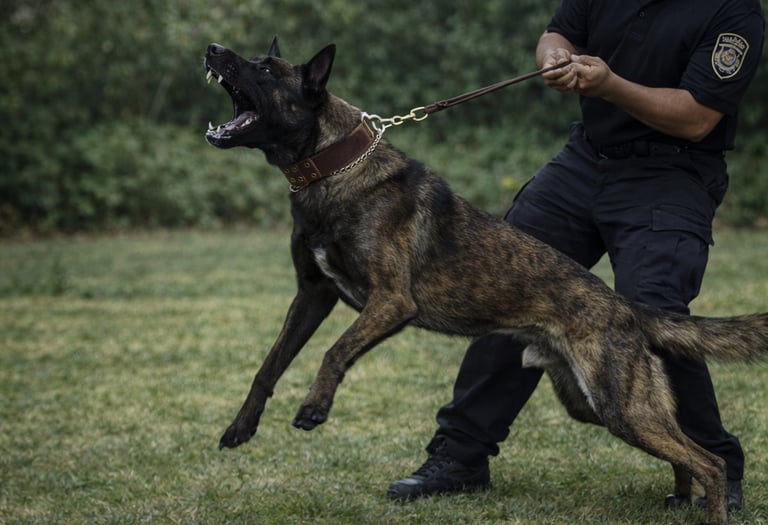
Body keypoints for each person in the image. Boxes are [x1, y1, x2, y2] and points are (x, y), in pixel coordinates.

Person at [387, 0, 765, 512]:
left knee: (654, 306)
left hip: (672, 173)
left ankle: (713, 467)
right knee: (504, 289)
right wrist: (554, 58)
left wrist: (609, 85)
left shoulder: (733, 12)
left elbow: (697, 118)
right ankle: (460, 456)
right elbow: (558, 32)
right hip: (585, 161)